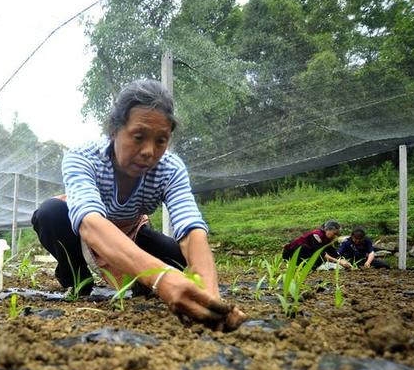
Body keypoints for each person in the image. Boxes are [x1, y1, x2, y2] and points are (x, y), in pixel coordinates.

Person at [31, 79, 244, 331]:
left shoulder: (170, 169)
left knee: (174, 257)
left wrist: (211, 297)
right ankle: (76, 276)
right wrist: (162, 278)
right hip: (83, 231)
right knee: (49, 213)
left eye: (161, 140)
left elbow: (190, 228)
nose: (148, 151)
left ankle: (141, 282)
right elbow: (90, 222)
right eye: (138, 137)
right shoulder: (82, 158)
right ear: (114, 131)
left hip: (131, 230)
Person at [282, 220, 352, 270]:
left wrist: (342, 260)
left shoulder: (326, 238)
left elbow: (332, 251)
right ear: (328, 230)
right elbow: (320, 253)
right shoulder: (316, 235)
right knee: (304, 249)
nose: (335, 236)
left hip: (307, 252)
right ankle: (303, 265)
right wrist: (338, 261)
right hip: (291, 254)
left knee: (329, 251)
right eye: (334, 234)